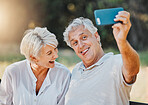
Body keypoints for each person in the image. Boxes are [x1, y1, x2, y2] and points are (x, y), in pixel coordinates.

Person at [63, 11, 140, 105]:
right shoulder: (76, 70)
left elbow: (132, 70)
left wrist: (121, 41)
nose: (80, 45)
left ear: (96, 36)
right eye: (75, 43)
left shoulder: (116, 62)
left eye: (84, 37)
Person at [0, 27, 71, 105]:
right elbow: (3, 102)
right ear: (33, 57)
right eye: (49, 53)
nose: (56, 55)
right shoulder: (12, 72)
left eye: (55, 49)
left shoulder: (64, 75)